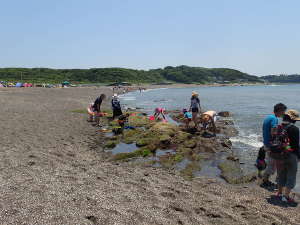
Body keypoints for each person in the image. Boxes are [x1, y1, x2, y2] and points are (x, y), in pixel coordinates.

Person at [275, 110, 300, 203]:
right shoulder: (295, 129)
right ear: (293, 119)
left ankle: (279, 193)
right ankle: (285, 197)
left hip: (279, 155)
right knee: (291, 176)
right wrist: (298, 157)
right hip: (291, 155)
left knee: (281, 174)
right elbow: (296, 145)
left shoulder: (279, 127)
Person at [261, 103, 287, 187]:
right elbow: (273, 132)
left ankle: (265, 180)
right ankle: (265, 181)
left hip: (266, 143)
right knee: (271, 165)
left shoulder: (269, 117)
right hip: (270, 145)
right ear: (279, 111)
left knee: (270, 163)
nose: (284, 114)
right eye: (283, 112)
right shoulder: (274, 119)